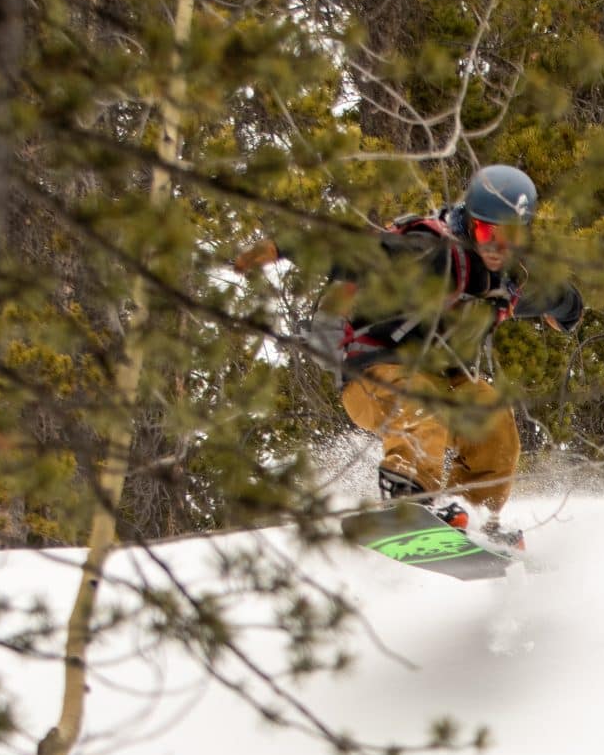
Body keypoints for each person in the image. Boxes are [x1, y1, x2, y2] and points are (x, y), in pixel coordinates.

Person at [234, 164, 584, 550]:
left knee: (493, 416)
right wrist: (283, 248)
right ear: (469, 223)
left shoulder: (507, 279)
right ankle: (409, 499)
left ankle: (472, 513)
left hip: (443, 378)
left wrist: (568, 311)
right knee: (423, 405)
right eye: (487, 232)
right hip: (374, 375)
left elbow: (555, 295)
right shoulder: (428, 252)